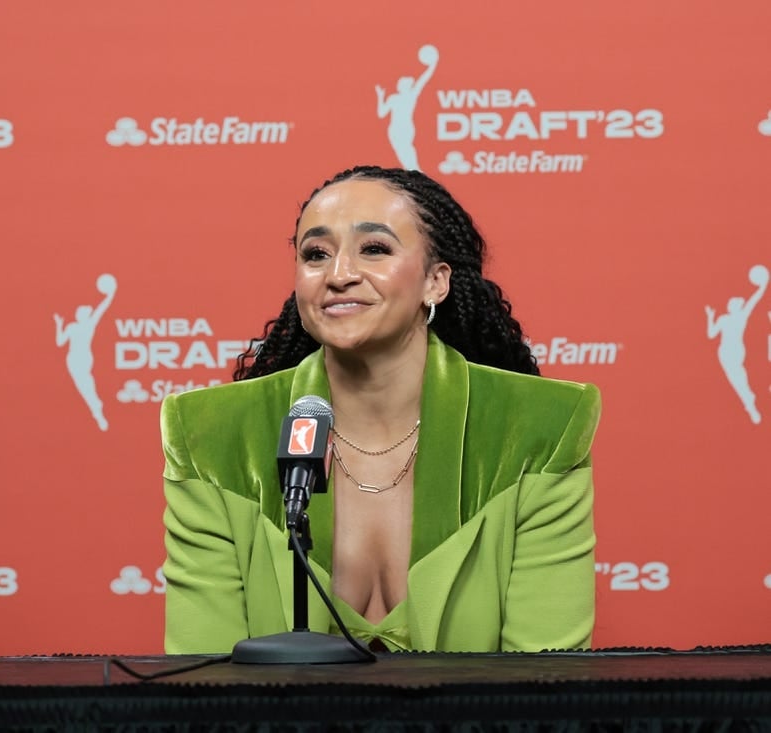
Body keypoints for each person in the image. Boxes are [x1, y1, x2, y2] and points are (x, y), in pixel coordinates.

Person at [161, 165, 600, 654]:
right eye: (316, 254)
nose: (339, 275)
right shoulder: (209, 434)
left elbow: (542, 687)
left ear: (436, 282)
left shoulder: (545, 426)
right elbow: (204, 685)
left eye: (374, 249)